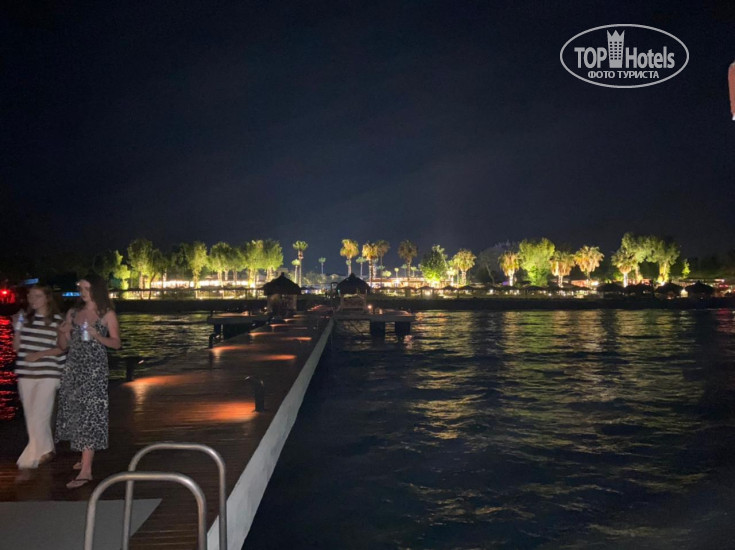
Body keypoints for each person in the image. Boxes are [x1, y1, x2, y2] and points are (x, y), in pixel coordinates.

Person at [56, 274, 121, 489]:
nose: (83, 292)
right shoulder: (73, 313)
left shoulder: (106, 314)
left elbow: (116, 343)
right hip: (74, 368)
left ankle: (86, 471)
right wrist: (62, 332)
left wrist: (97, 336)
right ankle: (85, 456)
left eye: (87, 288)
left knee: (90, 415)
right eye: (81, 288)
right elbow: (63, 346)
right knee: (76, 413)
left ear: (97, 289)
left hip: (94, 370)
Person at [12, 284, 66, 476]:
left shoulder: (57, 321)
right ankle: (46, 449)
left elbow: (62, 348)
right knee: (31, 415)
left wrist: (40, 354)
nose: (33, 299)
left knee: (40, 415)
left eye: (37, 296)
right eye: (30, 296)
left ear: (47, 298)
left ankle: (31, 457)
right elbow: (16, 347)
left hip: (48, 373)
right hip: (26, 373)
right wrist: (17, 328)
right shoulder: (25, 320)